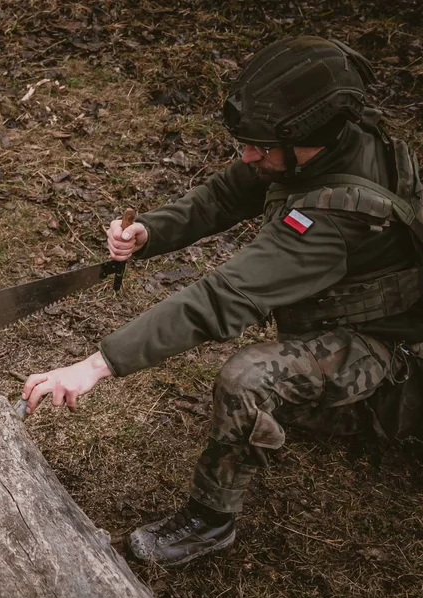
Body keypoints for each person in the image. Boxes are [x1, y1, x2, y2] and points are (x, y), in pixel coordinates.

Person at [22, 36, 423, 567]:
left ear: (307, 138)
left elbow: (220, 298)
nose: (247, 154)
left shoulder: (332, 219)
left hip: (378, 346)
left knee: (248, 380)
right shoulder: (333, 139)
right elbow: (230, 192)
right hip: (340, 316)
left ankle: (209, 523)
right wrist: (151, 232)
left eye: (258, 144)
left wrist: (95, 366)